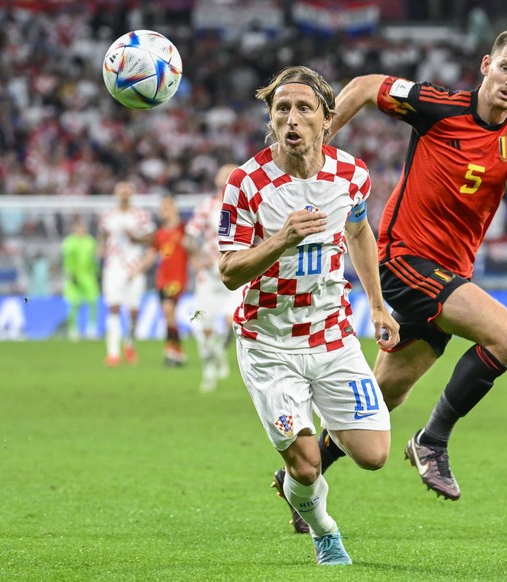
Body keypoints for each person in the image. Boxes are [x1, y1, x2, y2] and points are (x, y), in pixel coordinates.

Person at [273, 30, 507, 534]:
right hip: (404, 260)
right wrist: (319, 142)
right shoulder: (438, 105)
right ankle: (432, 440)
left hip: (448, 276)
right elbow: (365, 85)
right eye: (505, 68)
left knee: (379, 400)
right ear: (486, 65)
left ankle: (300, 483)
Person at [218, 66, 400, 565]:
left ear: (327, 117)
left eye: (304, 109)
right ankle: (325, 530)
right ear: (271, 119)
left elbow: (360, 232)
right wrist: (281, 238)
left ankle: (313, 452)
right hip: (270, 345)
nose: (292, 119)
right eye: (282, 109)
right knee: (305, 466)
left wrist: (378, 305)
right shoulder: (247, 183)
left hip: (333, 338)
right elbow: (230, 272)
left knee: (374, 455)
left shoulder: (351, 175)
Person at [184, 163, 243, 391]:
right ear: (217, 180)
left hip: (237, 274)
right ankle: (210, 367)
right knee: (204, 327)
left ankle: (220, 349)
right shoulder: (207, 207)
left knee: (233, 320)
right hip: (209, 276)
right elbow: (189, 237)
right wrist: (199, 258)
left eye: (232, 174)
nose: (227, 178)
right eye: (223, 175)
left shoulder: (247, 206)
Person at [98, 180, 154, 366]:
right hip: (113, 266)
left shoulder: (140, 215)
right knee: (113, 307)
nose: (123, 194)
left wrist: (135, 237)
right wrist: (101, 249)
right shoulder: (108, 216)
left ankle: (129, 343)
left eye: (126, 191)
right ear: (115, 194)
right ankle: (113, 352)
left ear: (131, 194)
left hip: (134, 266)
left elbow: (150, 239)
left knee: (133, 311)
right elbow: (103, 235)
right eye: (120, 191)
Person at [147, 194, 190, 366]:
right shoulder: (160, 234)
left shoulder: (184, 230)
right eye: (161, 208)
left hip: (177, 280)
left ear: (174, 209)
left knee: (167, 311)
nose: (162, 211)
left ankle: (174, 351)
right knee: (169, 317)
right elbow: (152, 254)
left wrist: (200, 265)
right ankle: (175, 351)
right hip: (162, 280)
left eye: (166, 207)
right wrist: (137, 270)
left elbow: (192, 251)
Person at [61, 216, 100, 340]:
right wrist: (71, 274)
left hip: (89, 277)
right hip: (75, 276)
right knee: (74, 303)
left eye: (83, 227)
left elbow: (94, 259)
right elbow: (67, 260)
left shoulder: (90, 241)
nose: (81, 230)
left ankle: (91, 328)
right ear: (74, 229)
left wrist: (97, 272)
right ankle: (73, 329)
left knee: (93, 302)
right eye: (78, 227)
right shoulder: (69, 242)